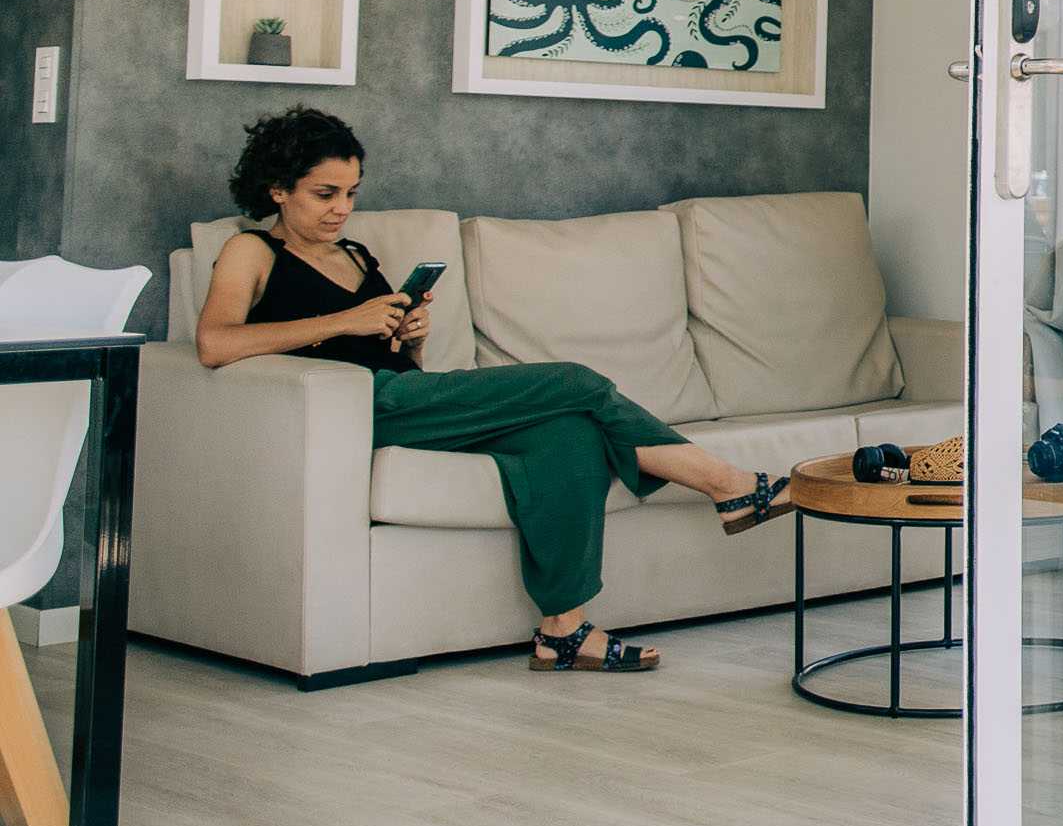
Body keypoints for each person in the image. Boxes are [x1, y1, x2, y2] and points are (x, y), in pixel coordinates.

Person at [194, 105, 792, 674]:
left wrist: (411, 337)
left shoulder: (355, 254)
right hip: (353, 407)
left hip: (408, 395)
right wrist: (344, 321)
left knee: (571, 433)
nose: (341, 209)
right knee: (574, 382)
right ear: (278, 188)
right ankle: (731, 485)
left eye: (351, 193)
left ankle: (564, 634)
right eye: (325, 194)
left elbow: (395, 357)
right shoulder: (251, 250)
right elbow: (214, 342)